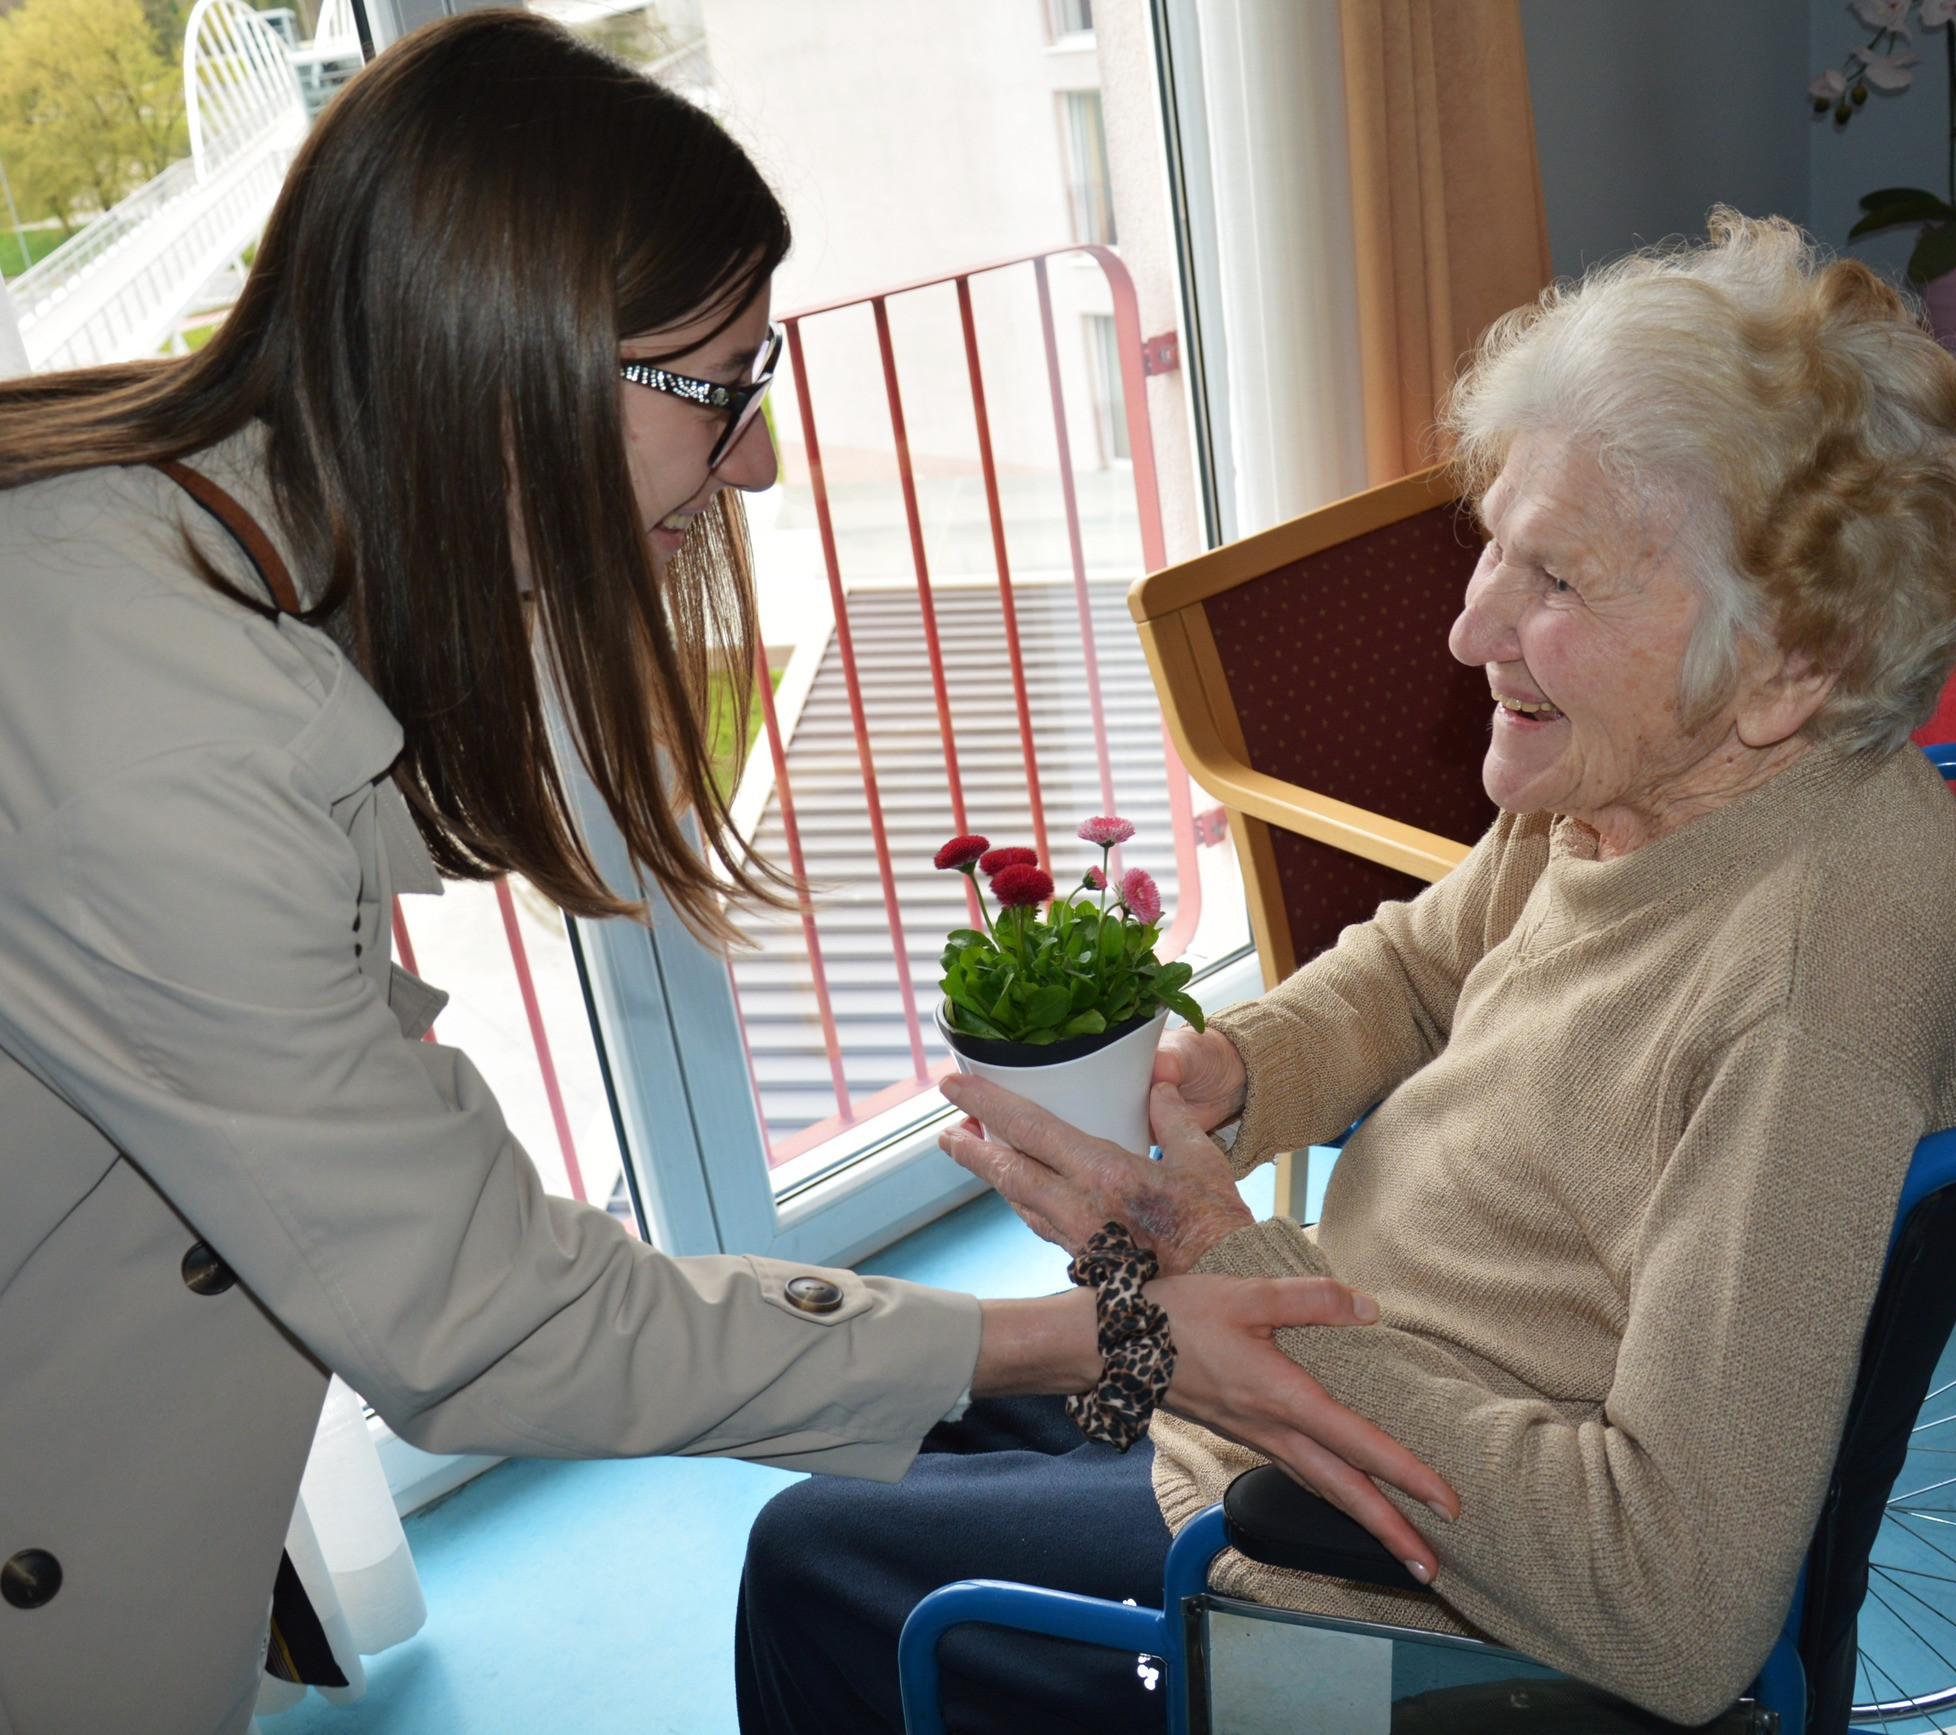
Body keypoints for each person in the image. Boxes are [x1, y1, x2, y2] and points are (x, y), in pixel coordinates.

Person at [0, 15, 1457, 1732]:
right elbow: (490, 1322)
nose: (757, 460)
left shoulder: (229, 552)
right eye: (724, 389)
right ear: (504, 375)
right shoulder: (156, 736)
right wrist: (1092, 1344)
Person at [736, 211, 1956, 1731]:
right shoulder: (1643, 772)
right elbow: (1432, 966)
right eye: (1495, 542)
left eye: (1557, 581)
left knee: (813, 1558)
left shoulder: (1809, 998)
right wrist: (1237, 1071)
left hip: (1380, 1565)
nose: (1471, 624)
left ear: (1791, 665)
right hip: (1334, 1365)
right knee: (903, 1411)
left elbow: (1674, 1604)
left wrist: (1220, 1263)